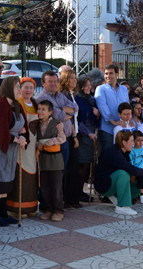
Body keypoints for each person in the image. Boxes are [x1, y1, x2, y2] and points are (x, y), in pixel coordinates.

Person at [0, 76, 29, 227]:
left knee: (6, 180)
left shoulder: (15, 104)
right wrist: (17, 138)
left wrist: (22, 135)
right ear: (8, 88)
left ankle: (3, 214)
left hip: (11, 148)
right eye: (17, 87)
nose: (20, 90)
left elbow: (22, 125)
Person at [35, 70, 78, 199]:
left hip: (65, 140)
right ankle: (47, 204)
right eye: (50, 81)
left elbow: (75, 108)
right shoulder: (41, 98)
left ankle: (57, 202)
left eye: (55, 81)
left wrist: (60, 110)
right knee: (50, 175)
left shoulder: (60, 96)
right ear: (43, 83)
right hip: (51, 142)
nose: (53, 84)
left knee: (61, 173)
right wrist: (65, 111)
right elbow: (56, 116)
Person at [94, 131, 143, 215]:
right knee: (123, 173)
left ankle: (120, 198)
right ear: (124, 142)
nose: (133, 144)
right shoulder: (114, 153)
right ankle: (122, 206)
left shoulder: (124, 152)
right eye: (131, 141)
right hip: (103, 186)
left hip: (111, 182)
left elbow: (132, 169)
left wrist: (140, 173)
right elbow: (130, 169)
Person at [7, 77, 39, 218]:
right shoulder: (17, 103)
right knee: (20, 173)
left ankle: (31, 206)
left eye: (31, 88)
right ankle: (16, 207)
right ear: (19, 89)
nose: (29, 90)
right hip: (21, 144)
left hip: (33, 146)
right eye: (25, 87)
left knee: (32, 174)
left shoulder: (35, 103)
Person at [32, 100, 66, 221]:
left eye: (43, 109)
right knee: (45, 186)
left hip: (55, 159)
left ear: (50, 112)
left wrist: (49, 142)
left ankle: (58, 210)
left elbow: (62, 138)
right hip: (43, 159)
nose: (40, 111)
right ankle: (49, 209)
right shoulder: (36, 125)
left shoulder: (56, 124)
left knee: (56, 186)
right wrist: (37, 144)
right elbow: (33, 139)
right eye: (39, 109)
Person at [57, 69, 82, 209]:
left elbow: (73, 111)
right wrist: (74, 136)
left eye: (75, 78)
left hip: (73, 134)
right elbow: (70, 117)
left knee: (73, 168)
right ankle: (68, 199)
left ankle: (72, 199)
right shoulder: (64, 94)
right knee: (69, 169)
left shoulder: (72, 95)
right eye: (71, 78)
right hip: (68, 135)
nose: (74, 80)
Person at [76, 75, 100, 202]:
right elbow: (78, 120)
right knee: (83, 165)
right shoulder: (77, 98)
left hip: (92, 133)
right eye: (86, 85)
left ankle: (81, 191)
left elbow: (96, 115)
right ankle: (78, 191)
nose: (89, 87)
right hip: (83, 134)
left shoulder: (91, 98)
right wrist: (87, 133)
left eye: (90, 85)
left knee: (87, 165)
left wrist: (98, 113)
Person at [95, 64, 129, 153]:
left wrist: (130, 119)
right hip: (107, 131)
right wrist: (114, 122)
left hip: (122, 129)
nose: (108, 76)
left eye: (111, 73)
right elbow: (103, 107)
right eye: (106, 74)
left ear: (117, 74)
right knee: (108, 157)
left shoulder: (124, 89)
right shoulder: (100, 89)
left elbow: (127, 106)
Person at [129, 130, 143, 204]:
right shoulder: (131, 150)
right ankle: (131, 196)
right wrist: (134, 171)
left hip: (140, 170)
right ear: (133, 141)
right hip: (133, 170)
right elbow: (131, 161)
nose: (141, 143)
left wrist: (138, 171)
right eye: (138, 140)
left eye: (142, 140)